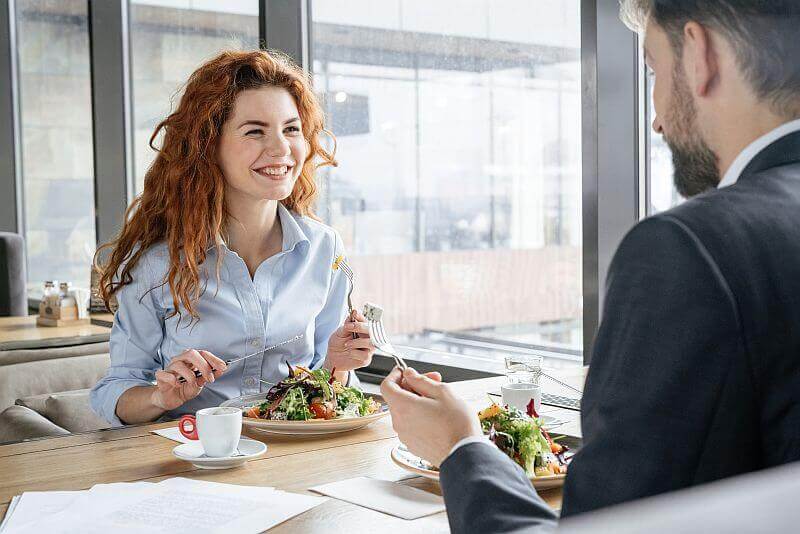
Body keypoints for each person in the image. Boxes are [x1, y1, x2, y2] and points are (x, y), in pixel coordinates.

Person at [381, 0, 800, 531]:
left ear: (699, 54)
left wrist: (459, 446)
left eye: (653, 69)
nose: (655, 119)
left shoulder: (688, 250)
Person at [91, 50, 375, 426]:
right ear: (208, 146)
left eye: (291, 129)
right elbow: (116, 393)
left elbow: (330, 390)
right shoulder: (158, 263)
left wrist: (341, 364)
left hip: (293, 455)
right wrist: (161, 395)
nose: (281, 149)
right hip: (191, 460)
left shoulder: (324, 250)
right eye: (255, 131)